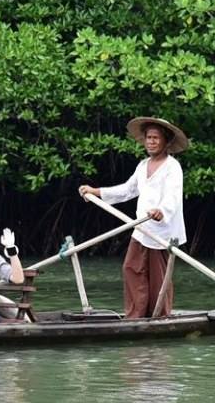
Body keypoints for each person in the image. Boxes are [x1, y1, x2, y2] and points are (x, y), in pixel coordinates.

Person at [78, 116, 189, 318]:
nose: (151, 142)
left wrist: (161, 211)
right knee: (131, 268)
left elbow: (172, 198)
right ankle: (136, 315)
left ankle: (159, 316)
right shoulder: (142, 165)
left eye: (156, 138)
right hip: (141, 229)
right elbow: (127, 190)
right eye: (148, 137)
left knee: (158, 278)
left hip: (162, 232)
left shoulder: (172, 167)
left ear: (166, 141)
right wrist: (96, 191)